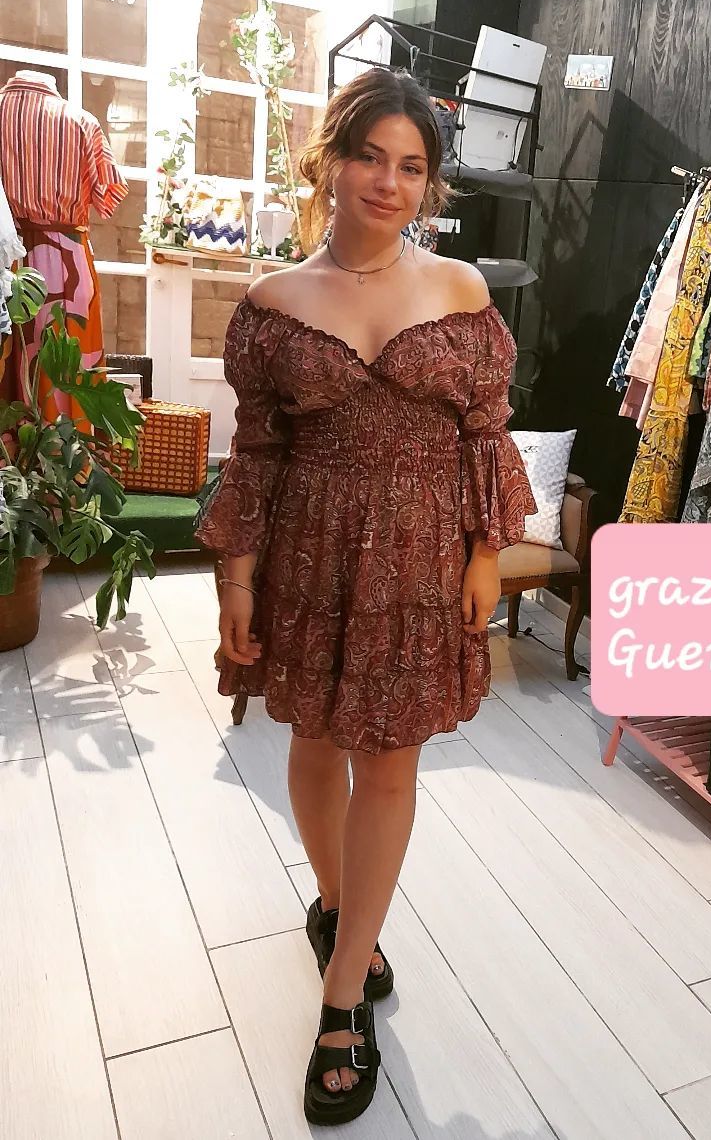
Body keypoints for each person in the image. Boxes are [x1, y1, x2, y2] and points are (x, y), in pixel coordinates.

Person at [193, 68, 537, 1127]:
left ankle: (344, 992)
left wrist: (486, 554)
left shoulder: (462, 292)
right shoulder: (273, 303)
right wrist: (236, 578)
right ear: (330, 162)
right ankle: (342, 906)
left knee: (391, 759)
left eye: (412, 166)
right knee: (314, 740)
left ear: (430, 184)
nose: (389, 182)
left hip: (423, 559)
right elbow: (256, 454)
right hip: (311, 553)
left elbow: (485, 434)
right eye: (370, 157)